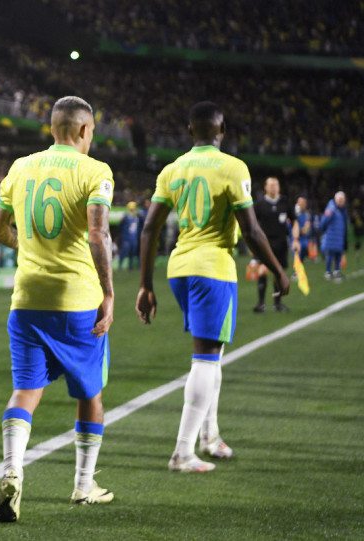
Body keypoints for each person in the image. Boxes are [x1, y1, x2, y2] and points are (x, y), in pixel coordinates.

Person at [136, 101, 290, 473]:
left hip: (179, 269)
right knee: (205, 358)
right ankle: (183, 451)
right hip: (213, 269)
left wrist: (145, 286)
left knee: (213, 354)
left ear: (190, 131)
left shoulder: (172, 170)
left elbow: (150, 229)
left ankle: (210, 436)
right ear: (222, 131)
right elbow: (251, 230)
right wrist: (278, 270)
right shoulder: (232, 167)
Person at [0, 96, 116, 522]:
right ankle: (83, 485)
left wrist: (29, 249)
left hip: (26, 299)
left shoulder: (21, 167)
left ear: (52, 127)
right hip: (76, 300)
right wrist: (109, 293)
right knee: (90, 392)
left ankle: (11, 470)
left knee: (26, 390)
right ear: (83, 130)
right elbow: (97, 235)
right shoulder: (95, 170)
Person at [252, 177, 299, 313]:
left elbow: (294, 221)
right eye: (271, 185)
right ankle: (261, 304)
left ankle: (277, 304)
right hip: (264, 244)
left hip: (281, 243)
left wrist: (295, 239)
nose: (274, 187)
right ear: (265, 187)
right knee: (263, 270)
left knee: (278, 273)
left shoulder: (285, 202)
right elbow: (252, 224)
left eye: (276, 185)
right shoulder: (260, 204)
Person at [320, 191, 348, 281]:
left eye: (343, 200)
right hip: (332, 237)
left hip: (339, 236)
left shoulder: (343, 210)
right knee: (331, 255)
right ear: (336, 200)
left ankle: (337, 271)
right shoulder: (331, 209)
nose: (341, 202)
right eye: (340, 200)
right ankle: (328, 272)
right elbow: (324, 222)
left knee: (339, 254)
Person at [118, 201, 140, 269]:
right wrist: (122, 221)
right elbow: (120, 227)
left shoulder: (136, 216)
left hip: (134, 238)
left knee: (132, 253)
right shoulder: (126, 216)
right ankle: (120, 266)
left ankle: (130, 266)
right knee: (124, 252)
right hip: (126, 238)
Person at [295, 195, 311, 263]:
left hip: (305, 237)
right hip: (297, 238)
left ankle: (299, 269)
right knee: (297, 253)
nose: (304, 205)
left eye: (305, 203)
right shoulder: (295, 214)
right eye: (302, 203)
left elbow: (308, 224)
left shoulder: (306, 214)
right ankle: (296, 272)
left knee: (304, 251)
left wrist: (305, 229)